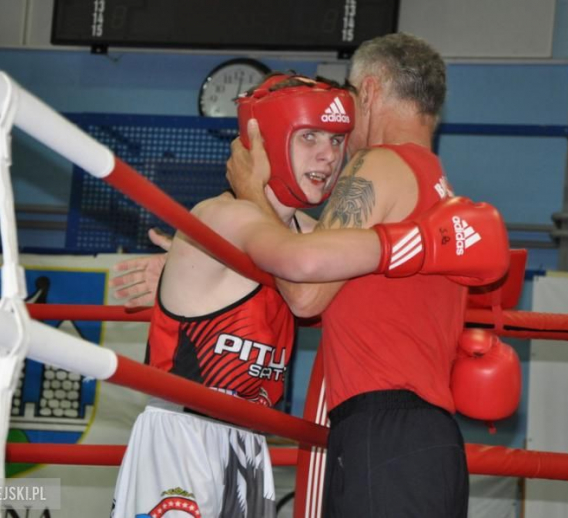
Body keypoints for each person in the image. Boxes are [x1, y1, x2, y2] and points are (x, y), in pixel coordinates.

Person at [225, 33, 500, 517]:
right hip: (423, 444)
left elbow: (305, 293)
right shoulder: (433, 181)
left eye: (351, 98)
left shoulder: (381, 163)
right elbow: (326, 248)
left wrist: (252, 194)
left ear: (369, 93)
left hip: (387, 436)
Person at [111, 73, 381, 518]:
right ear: (266, 141)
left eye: (336, 140)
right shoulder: (221, 217)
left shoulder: (305, 236)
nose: (327, 155)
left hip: (250, 440)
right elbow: (287, 254)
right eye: (309, 136)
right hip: (185, 434)